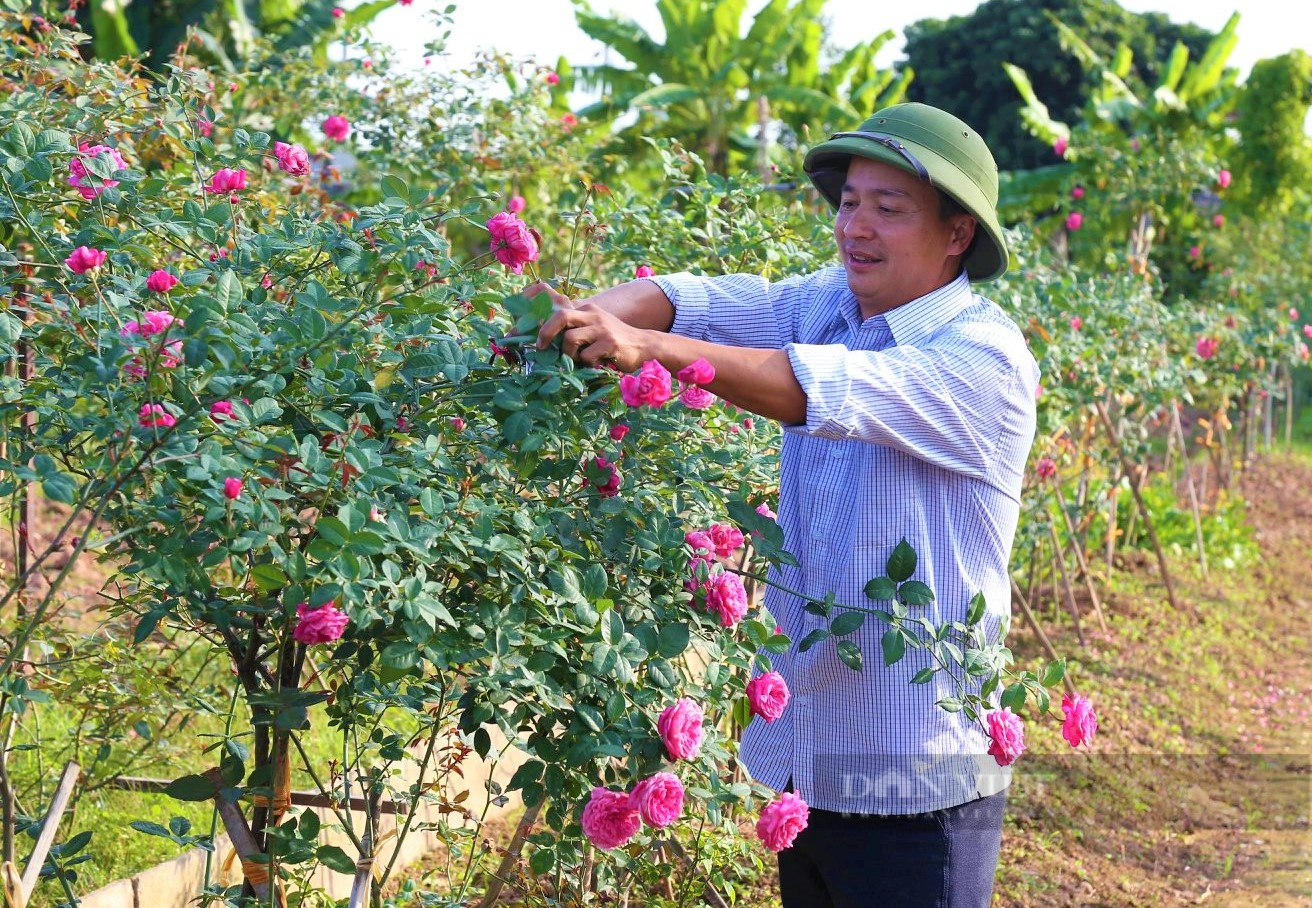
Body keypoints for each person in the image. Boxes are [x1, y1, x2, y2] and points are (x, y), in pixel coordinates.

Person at [534, 102, 1039, 907]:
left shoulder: (981, 360)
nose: (857, 227)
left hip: (917, 774)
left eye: (889, 207)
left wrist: (653, 351)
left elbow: (816, 388)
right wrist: (595, 314)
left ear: (957, 235)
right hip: (810, 760)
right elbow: (692, 299)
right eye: (849, 203)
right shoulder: (828, 305)